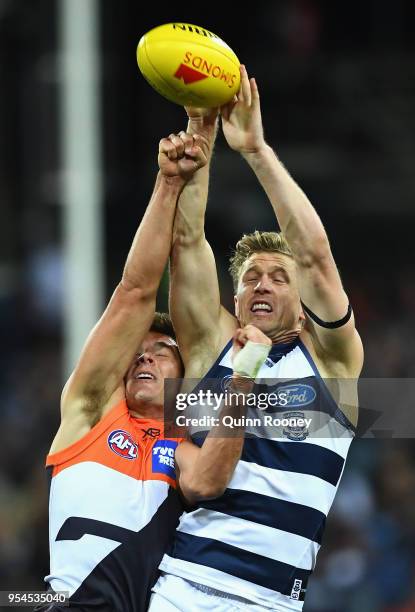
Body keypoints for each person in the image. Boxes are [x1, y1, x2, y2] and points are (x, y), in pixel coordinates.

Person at [149, 65, 364, 611]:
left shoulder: (334, 365)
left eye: (277, 277)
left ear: (302, 298)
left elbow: (314, 254)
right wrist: (199, 133)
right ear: (236, 297)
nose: (262, 285)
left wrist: (255, 150)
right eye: (250, 278)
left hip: (274, 603)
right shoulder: (211, 348)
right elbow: (187, 240)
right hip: (184, 588)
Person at [38, 129, 271, 612]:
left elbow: (208, 483)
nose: (143, 356)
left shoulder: (180, 445)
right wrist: (167, 184)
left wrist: (243, 380)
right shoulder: (90, 413)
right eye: (137, 352)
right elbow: (135, 292)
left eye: (162, 350)